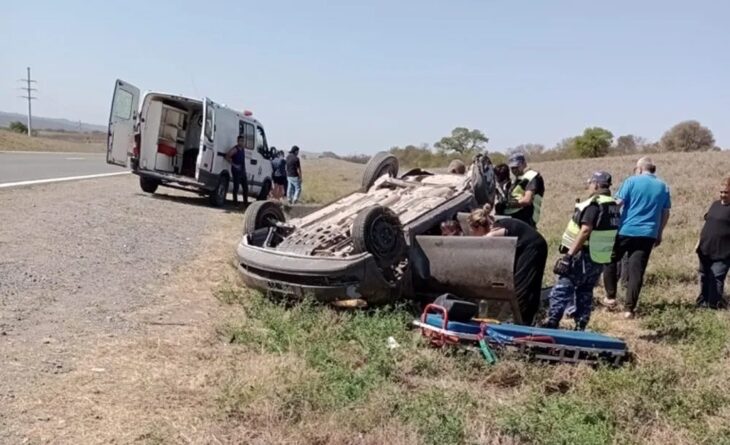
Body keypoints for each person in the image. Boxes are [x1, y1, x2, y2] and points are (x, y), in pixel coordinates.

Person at [544, 171, 620, 330]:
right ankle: (581, 326)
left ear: (596, 185)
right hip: (599, 257)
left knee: (563, 286)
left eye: (590, 183)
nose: (589, 186)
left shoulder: (594, 204)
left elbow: (585, 230)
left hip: (582, 255)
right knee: (585, 291)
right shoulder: (612, 205)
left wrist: (568, 256)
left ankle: (552, 322)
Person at [603, 157, 671, 319]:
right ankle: (629, 309)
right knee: (636, 271)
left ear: (639, 169)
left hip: (626, 230)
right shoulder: (663, 186)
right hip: (648, 234)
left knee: (610, 259)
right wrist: (659, 233)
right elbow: (665, 212)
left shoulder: (631, 181)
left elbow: (618, 203)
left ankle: (610, 297)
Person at [468, 204, 548, 325]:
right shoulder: (496, 225)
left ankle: (524, 322)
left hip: (533, 248)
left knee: (523, 287)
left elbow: (483, 243)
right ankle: (524, 318)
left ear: (478, 227)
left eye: (473, 231)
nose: (472, 234)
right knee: (520, 284)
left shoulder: (493, 233)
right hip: (528, 247)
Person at [695, 177, 730, 309]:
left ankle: (713, 306)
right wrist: (698, 242)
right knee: (704, 276)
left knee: (716, 278)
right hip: (705, 249)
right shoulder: (715, 204)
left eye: (726, 192)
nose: (723, 195)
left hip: (723, 252)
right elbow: (708, 223)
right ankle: (702, 303)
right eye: (721, 192)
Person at [503, 153, 545, 228]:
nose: (514, 170)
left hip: (527, 218)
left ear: (524, 164)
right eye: (512, 168)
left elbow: (527, 200)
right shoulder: (518, 179)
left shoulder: (532, 176)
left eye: (516, 167)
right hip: (516, 217)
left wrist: (509, 204)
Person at [225, 135, 248, 205]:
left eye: (243, 141)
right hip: (236, 171)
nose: (242, 142)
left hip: (242, 171)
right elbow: (227, 156)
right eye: (241, 141)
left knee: (245, 187)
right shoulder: (235, 149)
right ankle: (235, 203)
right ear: (238, 141)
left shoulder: (243, 149)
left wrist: (244, 170)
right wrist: (235, 165)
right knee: (236, 187)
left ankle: (245, 203)